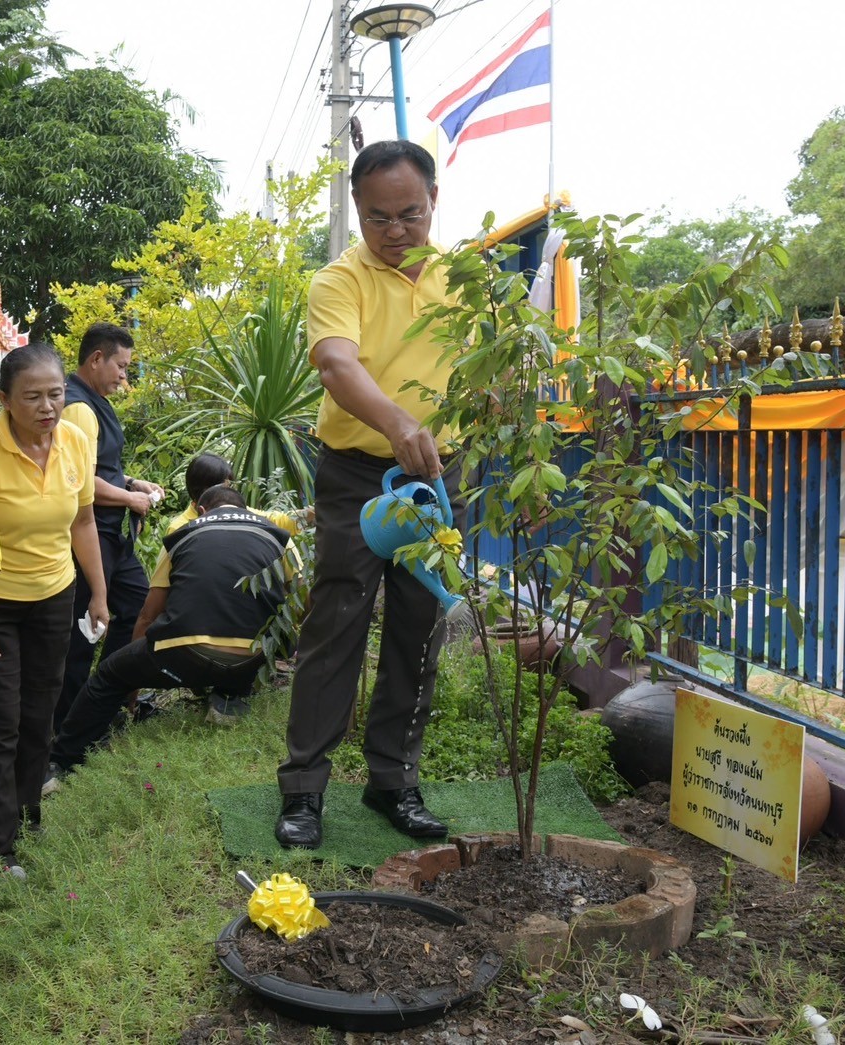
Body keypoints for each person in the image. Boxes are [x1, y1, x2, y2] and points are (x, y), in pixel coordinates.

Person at [275, 140, 468, 851]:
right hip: (358, 475)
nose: (393, 232)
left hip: (439, 476)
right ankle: (302, 789)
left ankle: (395, 780)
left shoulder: (464, 280)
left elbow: (489, 372)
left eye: (408, 214)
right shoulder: (338, 280)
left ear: (433, 201)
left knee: (419, 626)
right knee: (337, 625)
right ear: (357, 209)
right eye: (377, 218)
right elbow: (335, 362)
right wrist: (395, 423)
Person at [0, 344, 108, 872]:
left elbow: (83, 521)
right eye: (33, 397)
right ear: (3, 399)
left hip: (55, 596)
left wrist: (99, 593)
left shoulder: (75, 441)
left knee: (40, 716)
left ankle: (26, 821)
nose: (48, 407)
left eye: (56, 394)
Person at [46, 485, 292, 786]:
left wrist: (132, 687)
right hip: (252, 658)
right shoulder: (279, 536)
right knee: (244, 635)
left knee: (109, 675)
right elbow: (303, 600)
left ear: (201, 510)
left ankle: (61, 763)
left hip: (182, 656)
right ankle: (227, 699)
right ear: (247, 509)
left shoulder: (182, 535)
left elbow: (148, 615)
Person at [56, 322, 164, 729]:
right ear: (96, 359)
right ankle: (69, 723)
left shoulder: (93, 401)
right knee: (84, 631)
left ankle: (103, 700)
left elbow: (101, 470)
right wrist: (130, 498)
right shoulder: (78, 406)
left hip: (112, 534)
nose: (124, 376)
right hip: (90, 532)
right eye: (120, 367)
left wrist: (134, 483)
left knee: (136, 608)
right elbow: (79, 484)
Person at [163, 452, 311, 537]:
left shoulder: (240, 513)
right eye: (226, 485)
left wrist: (311, 513)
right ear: (206, 489)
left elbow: (275, 521)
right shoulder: (178, 528)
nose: (230, 490)